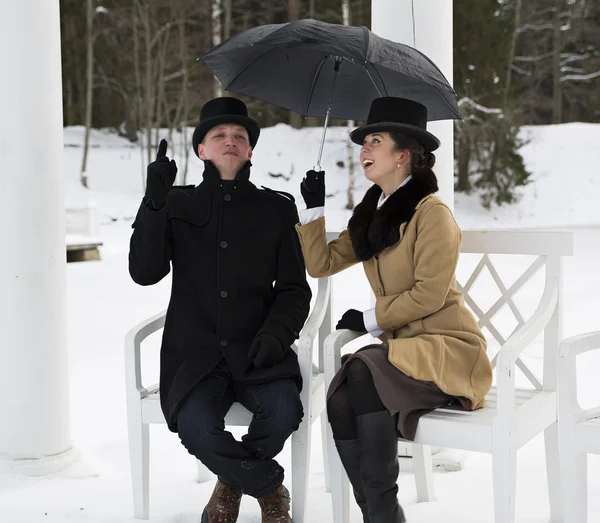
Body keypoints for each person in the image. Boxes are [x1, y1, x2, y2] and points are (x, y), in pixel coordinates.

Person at [296, 97, 493, 523]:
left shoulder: (431, 214)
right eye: (364, 141)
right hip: (403, 356)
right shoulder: (372, 216)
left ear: (403, 155)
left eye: (375, 141)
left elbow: (429, 295)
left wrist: (367, 320)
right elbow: (321, 263)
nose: (364, 149)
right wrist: (313, 208)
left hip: (449, 351)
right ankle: (382, 516)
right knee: (343, 392)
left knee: (361, 369)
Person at [129, 97, 312, 523]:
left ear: (250, 151)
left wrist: (275, 335)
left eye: (240, 136)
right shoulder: (175, 204)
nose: (230, 140)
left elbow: (293, 290)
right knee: (196, 427)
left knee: (284, 411)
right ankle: (267, 487)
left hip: (258, 351)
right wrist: (153, 205)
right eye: (219, 135)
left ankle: (230, 483)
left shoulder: (276, 208)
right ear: (201, 150)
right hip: (194, 355)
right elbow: (144, 272)